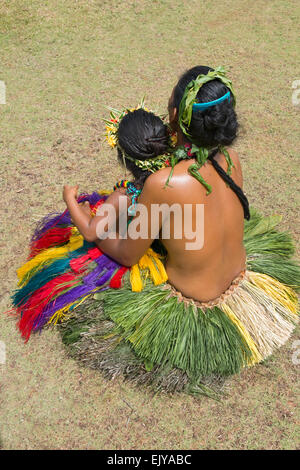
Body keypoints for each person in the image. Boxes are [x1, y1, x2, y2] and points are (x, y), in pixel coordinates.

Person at [12, 67, 299, 396]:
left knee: (96, 259)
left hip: (197, 298)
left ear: (175, 116)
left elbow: (128, 255)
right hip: (241, 276)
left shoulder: (164, 183)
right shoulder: (231, 158)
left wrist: (95, 232)